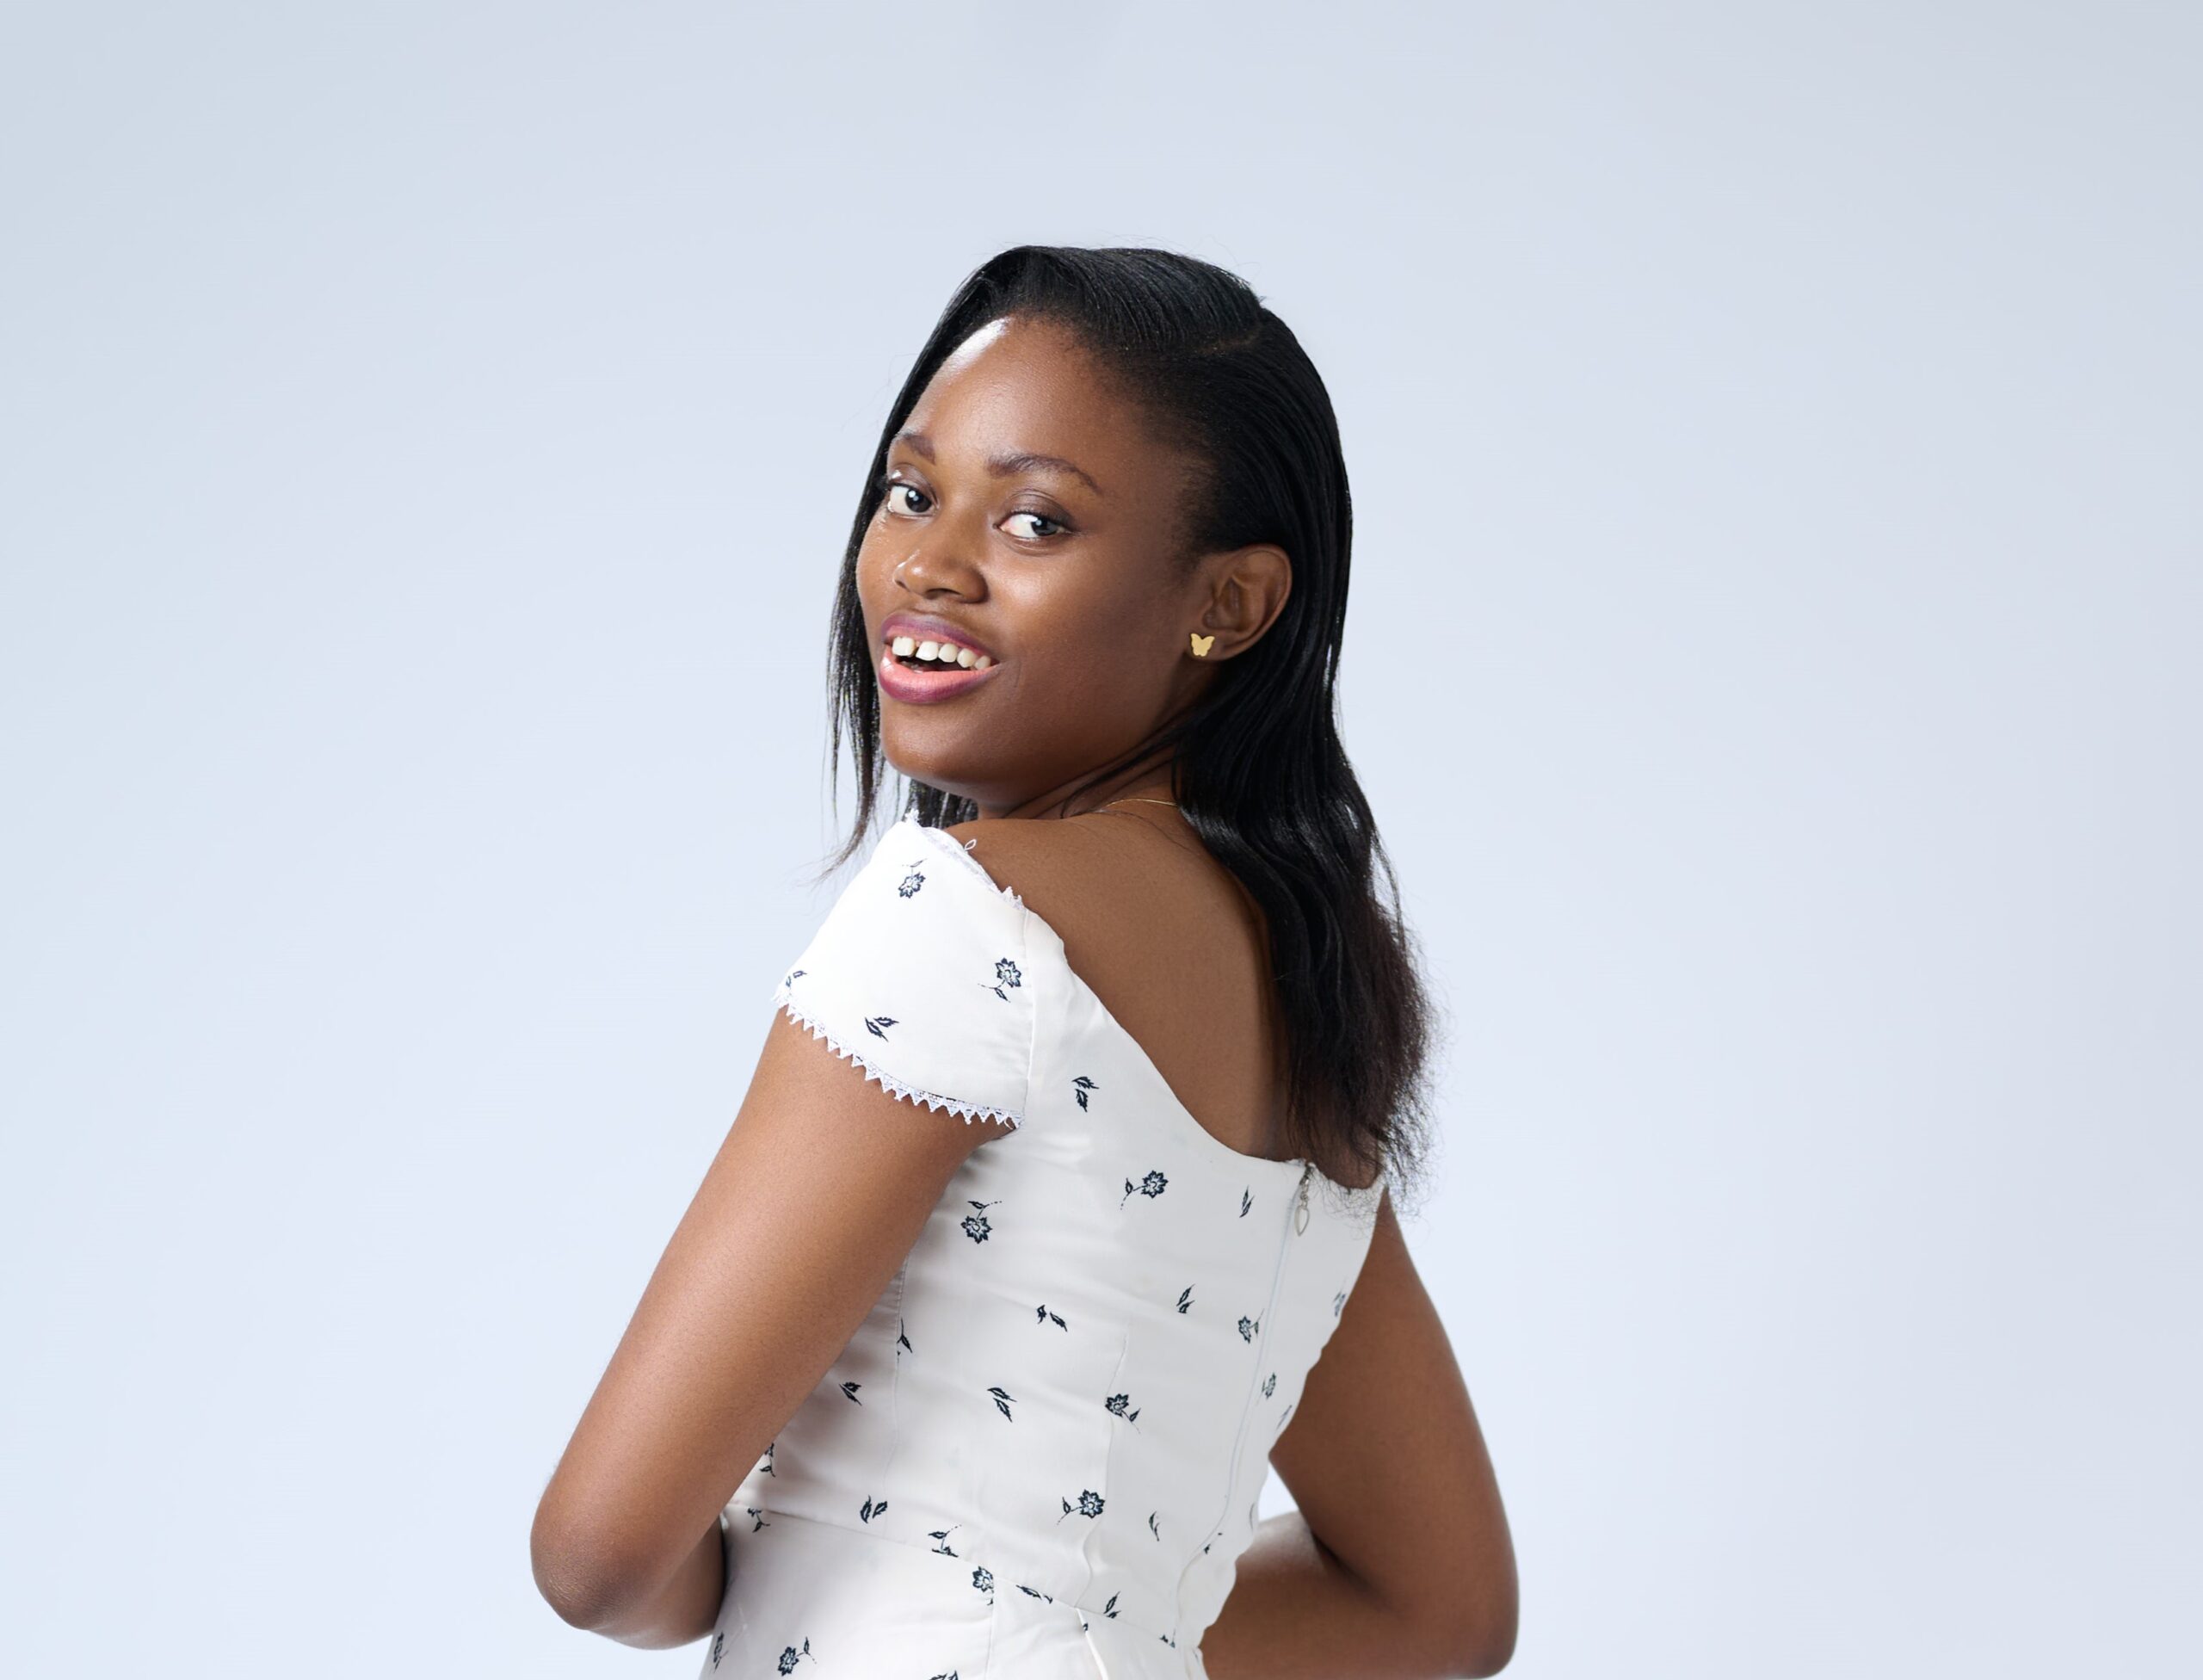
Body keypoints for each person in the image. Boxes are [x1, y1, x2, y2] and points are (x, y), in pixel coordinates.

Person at [530, 245, 1518, 1677]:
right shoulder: (1316, 1022)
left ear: (1230, 606)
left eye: (1038, 520)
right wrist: (1094, 1621)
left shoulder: (967, 921)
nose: (929, 565)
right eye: (912, 491)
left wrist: (790, 1565)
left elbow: (601, 1553)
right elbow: (1438, 1611)